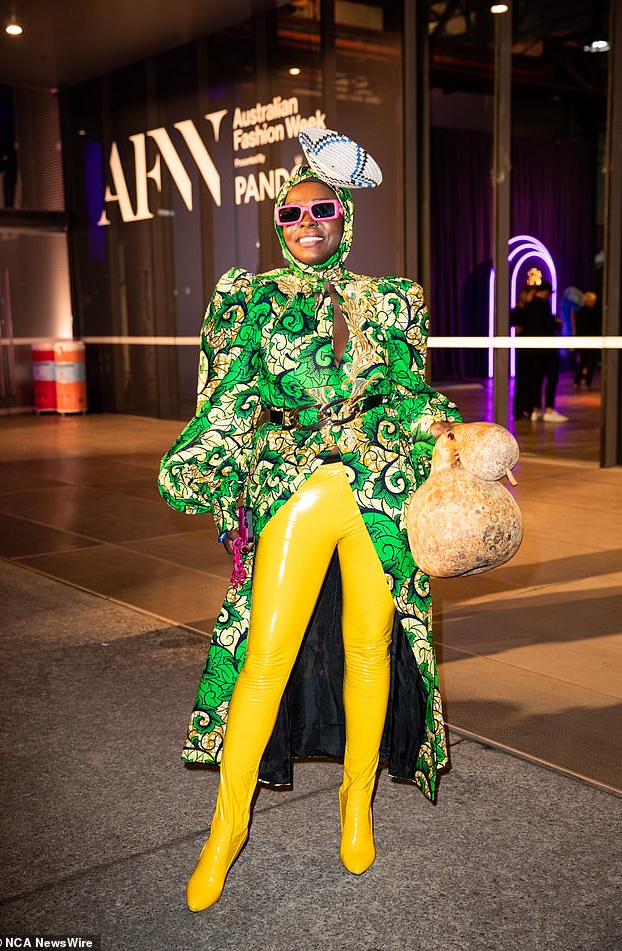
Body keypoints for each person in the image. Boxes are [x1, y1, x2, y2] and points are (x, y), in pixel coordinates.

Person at [158, 159, 461, 912]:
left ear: (344, 215)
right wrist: (200, 454)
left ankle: (355, 806)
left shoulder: (388, 302)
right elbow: (229, 397)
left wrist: (451, 436)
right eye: (290, 216)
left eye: (319, 210)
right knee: (264, 654)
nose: (305, 226)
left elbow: (412, 392)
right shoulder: (249, 301)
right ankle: (226, 829)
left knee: (369, 648)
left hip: (377, 489)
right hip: (291, 487)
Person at [525, 280, 567, 422]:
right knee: (551, 378)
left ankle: (535, 410)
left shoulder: (529, 305)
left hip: (532, 350)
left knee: (535, 380)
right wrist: (557, 322)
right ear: (546, 292)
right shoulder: (544, 304)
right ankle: (549, 409)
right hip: (547, 350)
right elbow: (549, 325)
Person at [510, 284, 536, 419]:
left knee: (529, 379)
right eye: (531, 294)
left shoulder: (529, 310)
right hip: (523, 349)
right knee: (522, 380)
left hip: (528, 348)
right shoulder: (519, 311)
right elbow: (518, 328)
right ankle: (520, 409)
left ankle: (527, 408)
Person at [572, 291, 601, 390]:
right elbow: (595, 327)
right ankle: (587, 382)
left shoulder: (579, 311)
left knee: (582, 361)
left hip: (581, 339)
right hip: (591, 340)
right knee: (590, 362)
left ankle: (577, 382)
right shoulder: (593, 313)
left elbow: (577, 327)